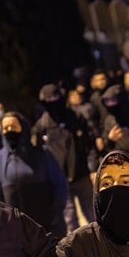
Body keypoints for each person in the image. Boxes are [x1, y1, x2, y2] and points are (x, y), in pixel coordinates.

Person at [0, 112, 69, 237]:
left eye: (14, 126)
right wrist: (7, 222)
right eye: (5, 128)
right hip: (19, 232)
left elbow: (60, 185)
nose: (9, 131)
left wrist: (56, 214)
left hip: (49, 227)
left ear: (23, 127)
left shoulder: (42, 153)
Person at [34, 84, 97, 233]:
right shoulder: (41, 126)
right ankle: (77, 253)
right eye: (48, 99)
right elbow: (39, 155)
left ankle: (101, 246)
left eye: (55, 97)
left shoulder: (75, 117)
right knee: (69, 221)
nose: (52, 101)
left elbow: (89, 145)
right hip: (58, 180)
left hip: (82, 174)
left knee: (93, 214)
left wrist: (93, 168)